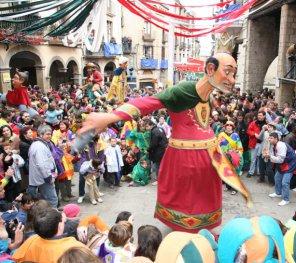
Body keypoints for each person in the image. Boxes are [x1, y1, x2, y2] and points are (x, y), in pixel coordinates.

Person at [79, 53, 250, 233]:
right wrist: (110, 117)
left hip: (207, 161)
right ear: (210, 69)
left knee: (203, 208)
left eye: (234, 74)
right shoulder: (182, 91)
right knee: (187, 211)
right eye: (228, 72)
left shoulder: (209, 96)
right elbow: (148, 102)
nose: (231, 79)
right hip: (186, 161)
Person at [12, 208, 85, 263]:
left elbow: (17, 258)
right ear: (60, 226)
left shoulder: (31, 240)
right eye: (62, 221)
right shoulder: (74, 247)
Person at [27, 125, 58, 208]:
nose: (49, 136)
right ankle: (53, 218)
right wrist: (48, 177)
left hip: (43, 177)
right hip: (44, 178)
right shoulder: (39, 146)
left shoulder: (41, 144)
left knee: (47, 199)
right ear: (41, 134)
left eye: (50, 134)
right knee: (52, 200)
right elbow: (42, 164)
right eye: (47, 134)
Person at [265, 132, 296, 206]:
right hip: (282, 165)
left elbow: (280, 160)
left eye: (271, 138)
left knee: (285, 182)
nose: (269, 139)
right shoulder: (273, 144)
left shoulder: (280, 145)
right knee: (277, 178)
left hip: (290, 165)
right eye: (269, 138)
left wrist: (270, 156)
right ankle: (278, 193)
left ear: (276, 139)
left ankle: (286, 199)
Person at [218, 121, 243, 194]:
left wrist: (238, 152)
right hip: (224, 155)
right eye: (227, 125)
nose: (229, 126)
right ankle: (228, 186)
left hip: (233, 155)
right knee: (226, 171)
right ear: (225, 126)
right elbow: (217, 145)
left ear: (233, 127)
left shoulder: (235, 135)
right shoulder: (221, 135)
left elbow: (239, 145)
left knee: (234, 172)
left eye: (230, 125)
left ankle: (235, 189)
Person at [144, 119, 168, 185]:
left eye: (147, 126)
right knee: (161, 166)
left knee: (157, 166)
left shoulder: (154, 131)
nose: (146, 128)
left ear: (151, 125)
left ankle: (159, 180)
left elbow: (153, 144)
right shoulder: (160, 128)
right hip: (163, 150)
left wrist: (148, 150)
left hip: (158, 152)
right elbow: (165, 139)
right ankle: (163, 179)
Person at [246, 110, 265, 177]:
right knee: (253, 159)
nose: (259, 117)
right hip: (254, 143)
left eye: (260, 115)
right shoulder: (253, 123)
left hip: (262, 143)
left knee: (260, 158)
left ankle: (259, 171)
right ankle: (251, 172)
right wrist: (254, 134)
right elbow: (248, 131)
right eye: (258, 115)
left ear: (264, 116)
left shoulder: (266, 124)